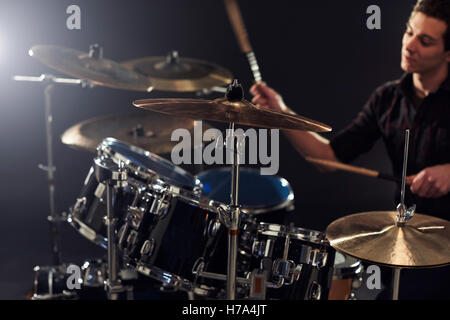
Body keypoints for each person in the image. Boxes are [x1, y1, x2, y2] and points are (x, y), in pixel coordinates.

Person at [250, 0, 450, 299]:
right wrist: (280, 114)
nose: (410, 45)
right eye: (409, 33)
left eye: (425, 41)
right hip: (406, 240)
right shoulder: (388, 99)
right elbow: (327, 159)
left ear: (448, 52)